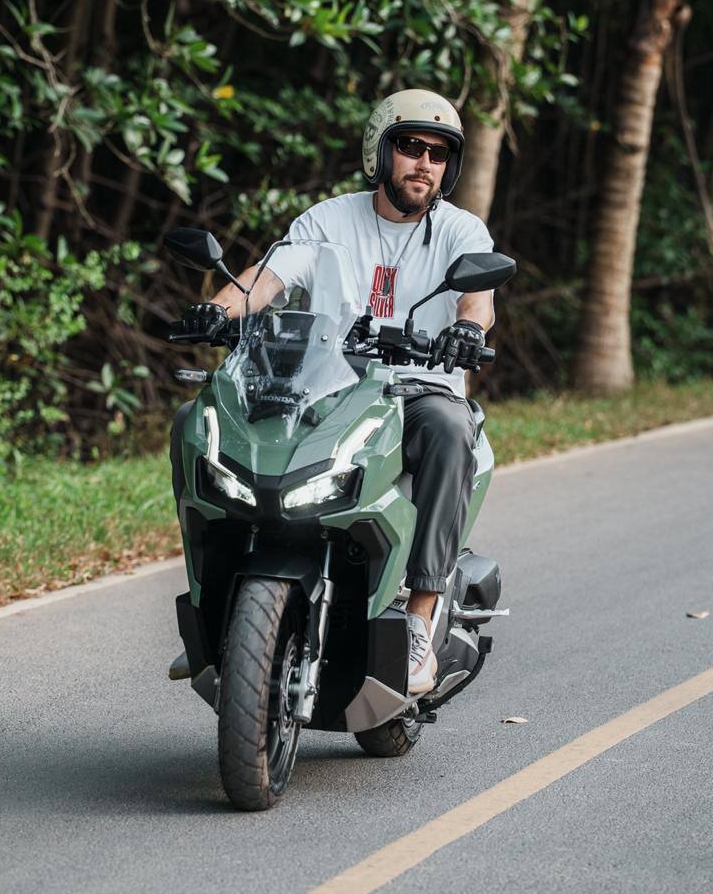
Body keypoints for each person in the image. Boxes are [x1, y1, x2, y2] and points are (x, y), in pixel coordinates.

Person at [172, 88, 495, 695]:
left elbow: (477, 306)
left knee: (452, 429)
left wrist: (465, 333)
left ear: (450, 166)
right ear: (380, 150)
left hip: (416, 390)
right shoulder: (328, 219)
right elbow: (266, 279)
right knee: (197, 419)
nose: (423, 162)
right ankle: (210, 600)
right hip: (327, 387)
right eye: (409, 146)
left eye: (438, 153)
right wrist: (216, 311)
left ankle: (421, 615)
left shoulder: (461, 230)